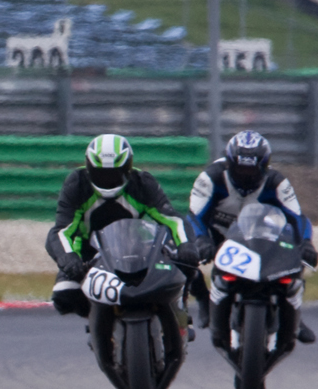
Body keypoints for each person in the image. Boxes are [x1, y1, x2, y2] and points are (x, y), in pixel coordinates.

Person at [45, 133, 203, 318]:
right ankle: (100, 323)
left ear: (128, 168)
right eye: (101, 173)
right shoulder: (77, 184)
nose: (107, 179)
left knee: (187, 262)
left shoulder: (142, 183)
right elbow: (61, 230)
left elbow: (173, 218)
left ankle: (180, 312)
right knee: (65, 294)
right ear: (89, 167)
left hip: (141, 250)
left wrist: (186, 245)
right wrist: (69, 259)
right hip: (92, 254)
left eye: (115, 173)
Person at [187, 131, 318, 344]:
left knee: (295, 255)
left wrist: (306, 244)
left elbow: (298, 218)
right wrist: (201, 240)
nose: (246, 176)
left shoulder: (277, 182)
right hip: (218, 235)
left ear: (264, 167)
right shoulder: (210, 178)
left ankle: (294, 316)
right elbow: (194, 216)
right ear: (229, 164)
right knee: (185, 247)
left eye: (252, 170)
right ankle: (203, 299)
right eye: (240, 170)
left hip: (259, 235)